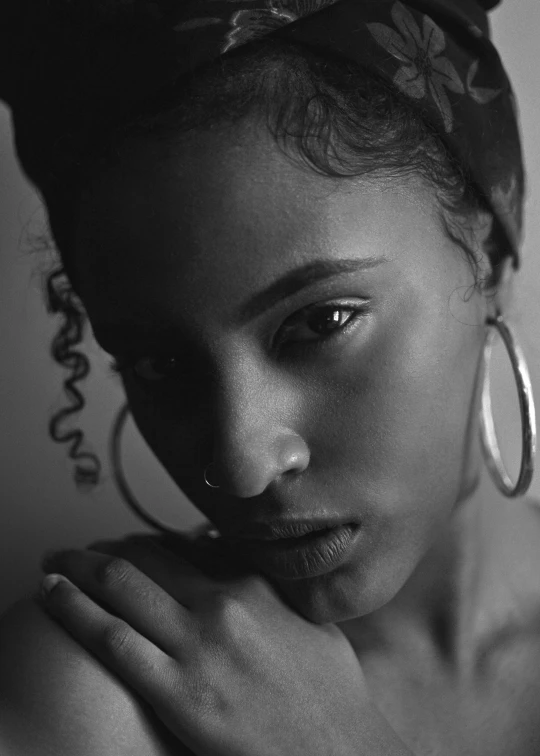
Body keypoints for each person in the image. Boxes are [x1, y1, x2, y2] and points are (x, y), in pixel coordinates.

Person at [0, 0, 538, 754]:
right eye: (161, 365)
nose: (242, 465)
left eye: (321, 323)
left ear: (492, 263)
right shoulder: (94, 695)